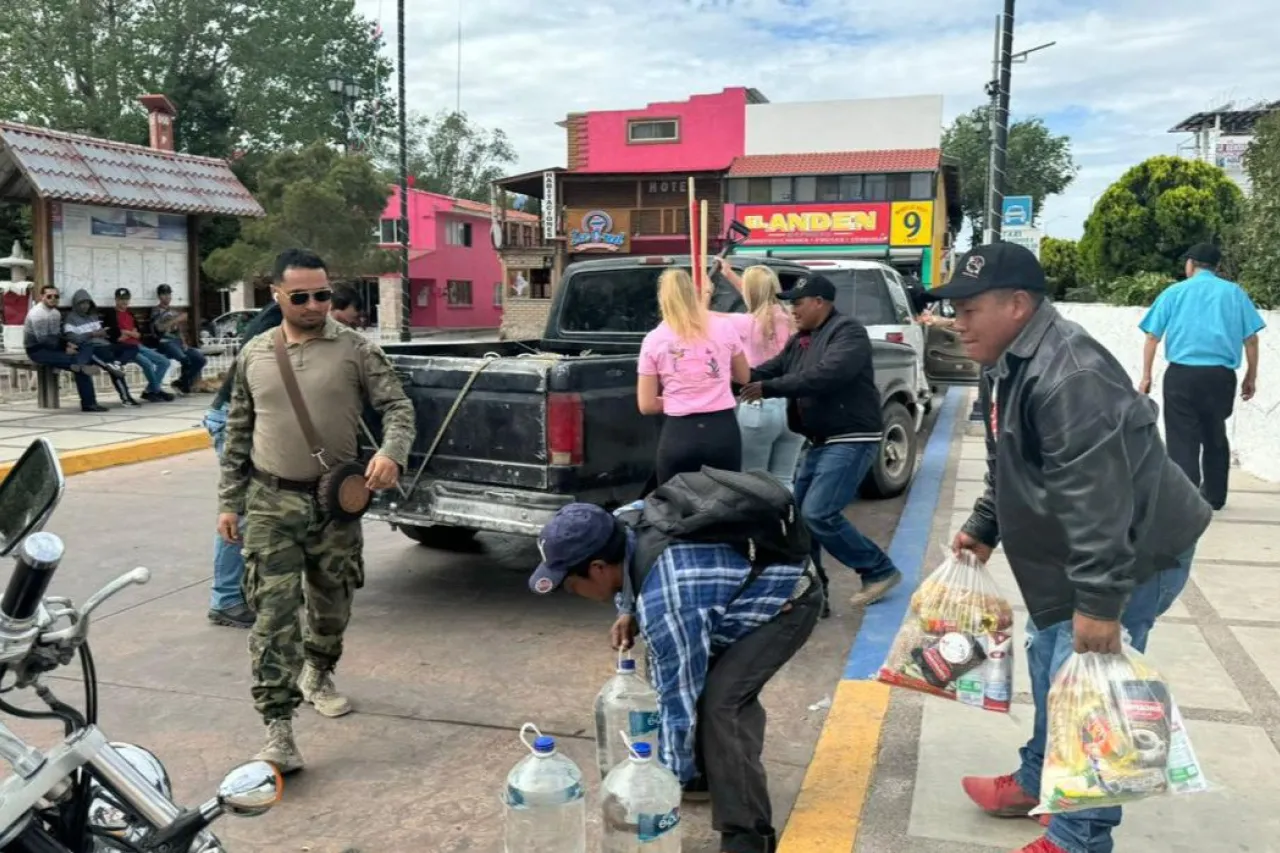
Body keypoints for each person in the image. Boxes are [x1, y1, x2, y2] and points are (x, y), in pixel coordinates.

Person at [933, 242, 1212, 853]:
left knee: (1091, 691)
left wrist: (1099, 605)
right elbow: (1009, 458)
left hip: (1134, 553)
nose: (957, 321)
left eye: (969, 307)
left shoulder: (1069, 374)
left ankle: (1076, 838)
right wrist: (985, 523)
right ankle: (1038, 780)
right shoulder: (1006, 357)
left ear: (1017, 303)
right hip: (1082, 552)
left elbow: (1100, 503)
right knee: (1051, 664)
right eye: (953, 308)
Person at [215, 248, 416, 773]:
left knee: (332, 604)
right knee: (272, 617)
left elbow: (398, 406)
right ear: (276, 294)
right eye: (300, 296)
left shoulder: (355, 349)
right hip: (268, 501)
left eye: (322, 295)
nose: (313, 305)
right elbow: (237, 431)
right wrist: (228, 502)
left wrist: (391, 452)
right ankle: (278, 729)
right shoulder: (254, 354)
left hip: (335, 502)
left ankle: (320, 670)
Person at [529, 500, 820, 853]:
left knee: (723, 706)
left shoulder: (667, 602)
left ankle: (749, 834)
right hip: (726, 591)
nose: (572, 594)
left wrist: (659, 788)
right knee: (683, 672)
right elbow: (637, 573)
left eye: (572, 585)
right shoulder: (619, 523)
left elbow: (676, 701)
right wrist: (627, 609)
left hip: (786, 602)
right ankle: (704, 773)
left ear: (598, 568)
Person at [739, 275, 902, 611]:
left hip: (852, 437)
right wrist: (729, 376)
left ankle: (878, 569)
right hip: (820, 439)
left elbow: (828, 375)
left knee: (819, 513)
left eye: (797, 303)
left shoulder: (848, 333)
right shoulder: (802, 340)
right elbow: (767, 371)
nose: (792, 309)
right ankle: (813, 594)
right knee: (799, 519)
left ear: (819, 302)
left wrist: (770, 389)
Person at [1138, 243, 1264, 510]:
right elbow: (1251, 339)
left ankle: (1186, 498)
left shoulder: (1174, 292)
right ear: (1216, 267)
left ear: (1191, 264)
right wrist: (1251, 376)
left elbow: (1152, 336)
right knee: (1215, 433)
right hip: (1220, 376)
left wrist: (1146, 376)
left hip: (1182, 375)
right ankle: (1215, 497)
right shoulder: (1234, 294)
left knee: (1182, 436)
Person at [203, 299, 284, 629]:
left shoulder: (281, 319)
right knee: (240, 512)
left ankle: (248, 589)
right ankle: (225, 599)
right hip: (235, 421)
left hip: (241, 419)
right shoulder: (275, 325)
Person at [638, 268, 750, 483]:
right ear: (694, 293)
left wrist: (680, 398)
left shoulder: (654, 339)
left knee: (675, 506)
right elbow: (743, 377)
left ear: (662, 299)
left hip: (679, 433)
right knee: (726, 504)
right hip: (722, 430)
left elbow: (646, 405)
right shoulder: (724, 327)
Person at [713, 261, 804, 490]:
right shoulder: (789, 318)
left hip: (758, 405)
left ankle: (759, 526)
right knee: (784, 479)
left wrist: (704, 292)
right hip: (793, 406)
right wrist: (730, 274)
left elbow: (702, 317)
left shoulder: (744, 322)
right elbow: (757, 294)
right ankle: (787, 523)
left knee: (753, 482)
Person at [22, 284, 104, 412]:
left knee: (81, 361)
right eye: (49, 296)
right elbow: (43, 340)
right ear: (42, 297)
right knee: (81, 365)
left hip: (52, 347)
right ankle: (89, 403)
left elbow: (56, 335)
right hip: (37, 350)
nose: (53, 299)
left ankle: (89, 402)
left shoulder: (55, 313)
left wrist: (67, 344)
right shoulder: (37, 314)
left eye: (56, 296)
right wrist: (65, 348)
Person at [62, 289, 139, 407]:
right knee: (113, 367)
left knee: (132, 348)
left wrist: (104, 333)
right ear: (76, 304)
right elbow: (72, 338)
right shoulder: (71, 319)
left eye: (87, 303)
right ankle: (126, 397)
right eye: (82, 303)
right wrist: (92, 334)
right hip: (89, 348)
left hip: (104, 344)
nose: (85, 306)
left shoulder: (92, 316)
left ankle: (116, 365)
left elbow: (101, 332)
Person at [102, 287, 174, 403]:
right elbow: (114, 334)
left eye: (126, 299)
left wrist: (128, 333)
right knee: (148, 364)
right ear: (116, 299)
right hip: (126, 348)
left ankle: (150, 390)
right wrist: (130, 333)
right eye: (121, 299)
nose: (124, 302)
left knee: (164, 362)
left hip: (138, 345)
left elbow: (138, 335)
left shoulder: (130, 314)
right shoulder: (111, 314)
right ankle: (156, 391)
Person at [150, 284, 207, 394]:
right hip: (164, 342)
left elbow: (178, 330)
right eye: (164, 294)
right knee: (185, 359)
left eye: (169, 294)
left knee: (200, 359)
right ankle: (184, 384)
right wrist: (176, 320)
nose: (167, 297)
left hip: (177, 343)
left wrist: (184, 342)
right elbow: (159, 328)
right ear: (159, 296)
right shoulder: (156, 311)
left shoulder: (173, 311)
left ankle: (181, 382)